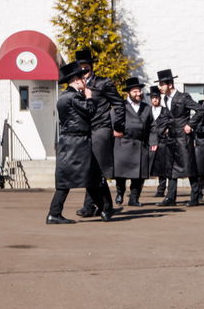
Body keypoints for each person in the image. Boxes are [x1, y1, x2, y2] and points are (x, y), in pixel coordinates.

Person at [47, 61, 113, 224]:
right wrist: (89, 97)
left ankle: (54, 213)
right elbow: (90, 111)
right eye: (83, 79)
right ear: (76, 80)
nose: (85, 81)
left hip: (67, 141)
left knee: (67, 179)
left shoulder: (62, 97)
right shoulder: (75, 96)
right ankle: (105, 209)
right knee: (92, 175)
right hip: (79, 142)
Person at [73, 48, 121, 218]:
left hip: (101, 130)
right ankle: (90, 205)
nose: (83, 72)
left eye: (86, 68)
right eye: (80, 69)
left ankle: (106, 207)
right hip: (84, 133)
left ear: (91, 67)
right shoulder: (77, 86)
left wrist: (117, 127)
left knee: (98, 171)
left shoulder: (103, 83)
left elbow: (119, 104)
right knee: (88, 170)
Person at [153, 69, 202, 207]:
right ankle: (170, 197)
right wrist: (163, 129)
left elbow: (200, 110)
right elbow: (167, 117)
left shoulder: (183, 97)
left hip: (183, 137)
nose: (160, 87)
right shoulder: (165, 99)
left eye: (162, 84)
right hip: (171, 138)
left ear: (169, 84)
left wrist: (190, 125)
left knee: (189, 167)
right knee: (171, 168)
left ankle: (195, 197)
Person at [112, 76, 154, 206]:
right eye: (135, 91)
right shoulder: (121, 106)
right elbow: (112, 121)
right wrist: (114, 130)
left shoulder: (147, 108)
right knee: (121, 173)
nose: (138, 93)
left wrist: (154, 142)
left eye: (139, 91)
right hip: (124, 143)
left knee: (139, 176)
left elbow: (152, 126)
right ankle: (120, 193)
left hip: (140, 145)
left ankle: (134, 198)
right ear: (129, 93)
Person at [148, 86, 167, 197]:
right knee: (144, 167)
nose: (155, 99)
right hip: (149, 143)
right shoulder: (147, 111)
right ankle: (136, 191)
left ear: (160, 98)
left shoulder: (165, 111)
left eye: (156, 97)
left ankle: (161, 190)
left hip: (162, 143)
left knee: (162, 169)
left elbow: (166, 126)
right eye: (153, 98)